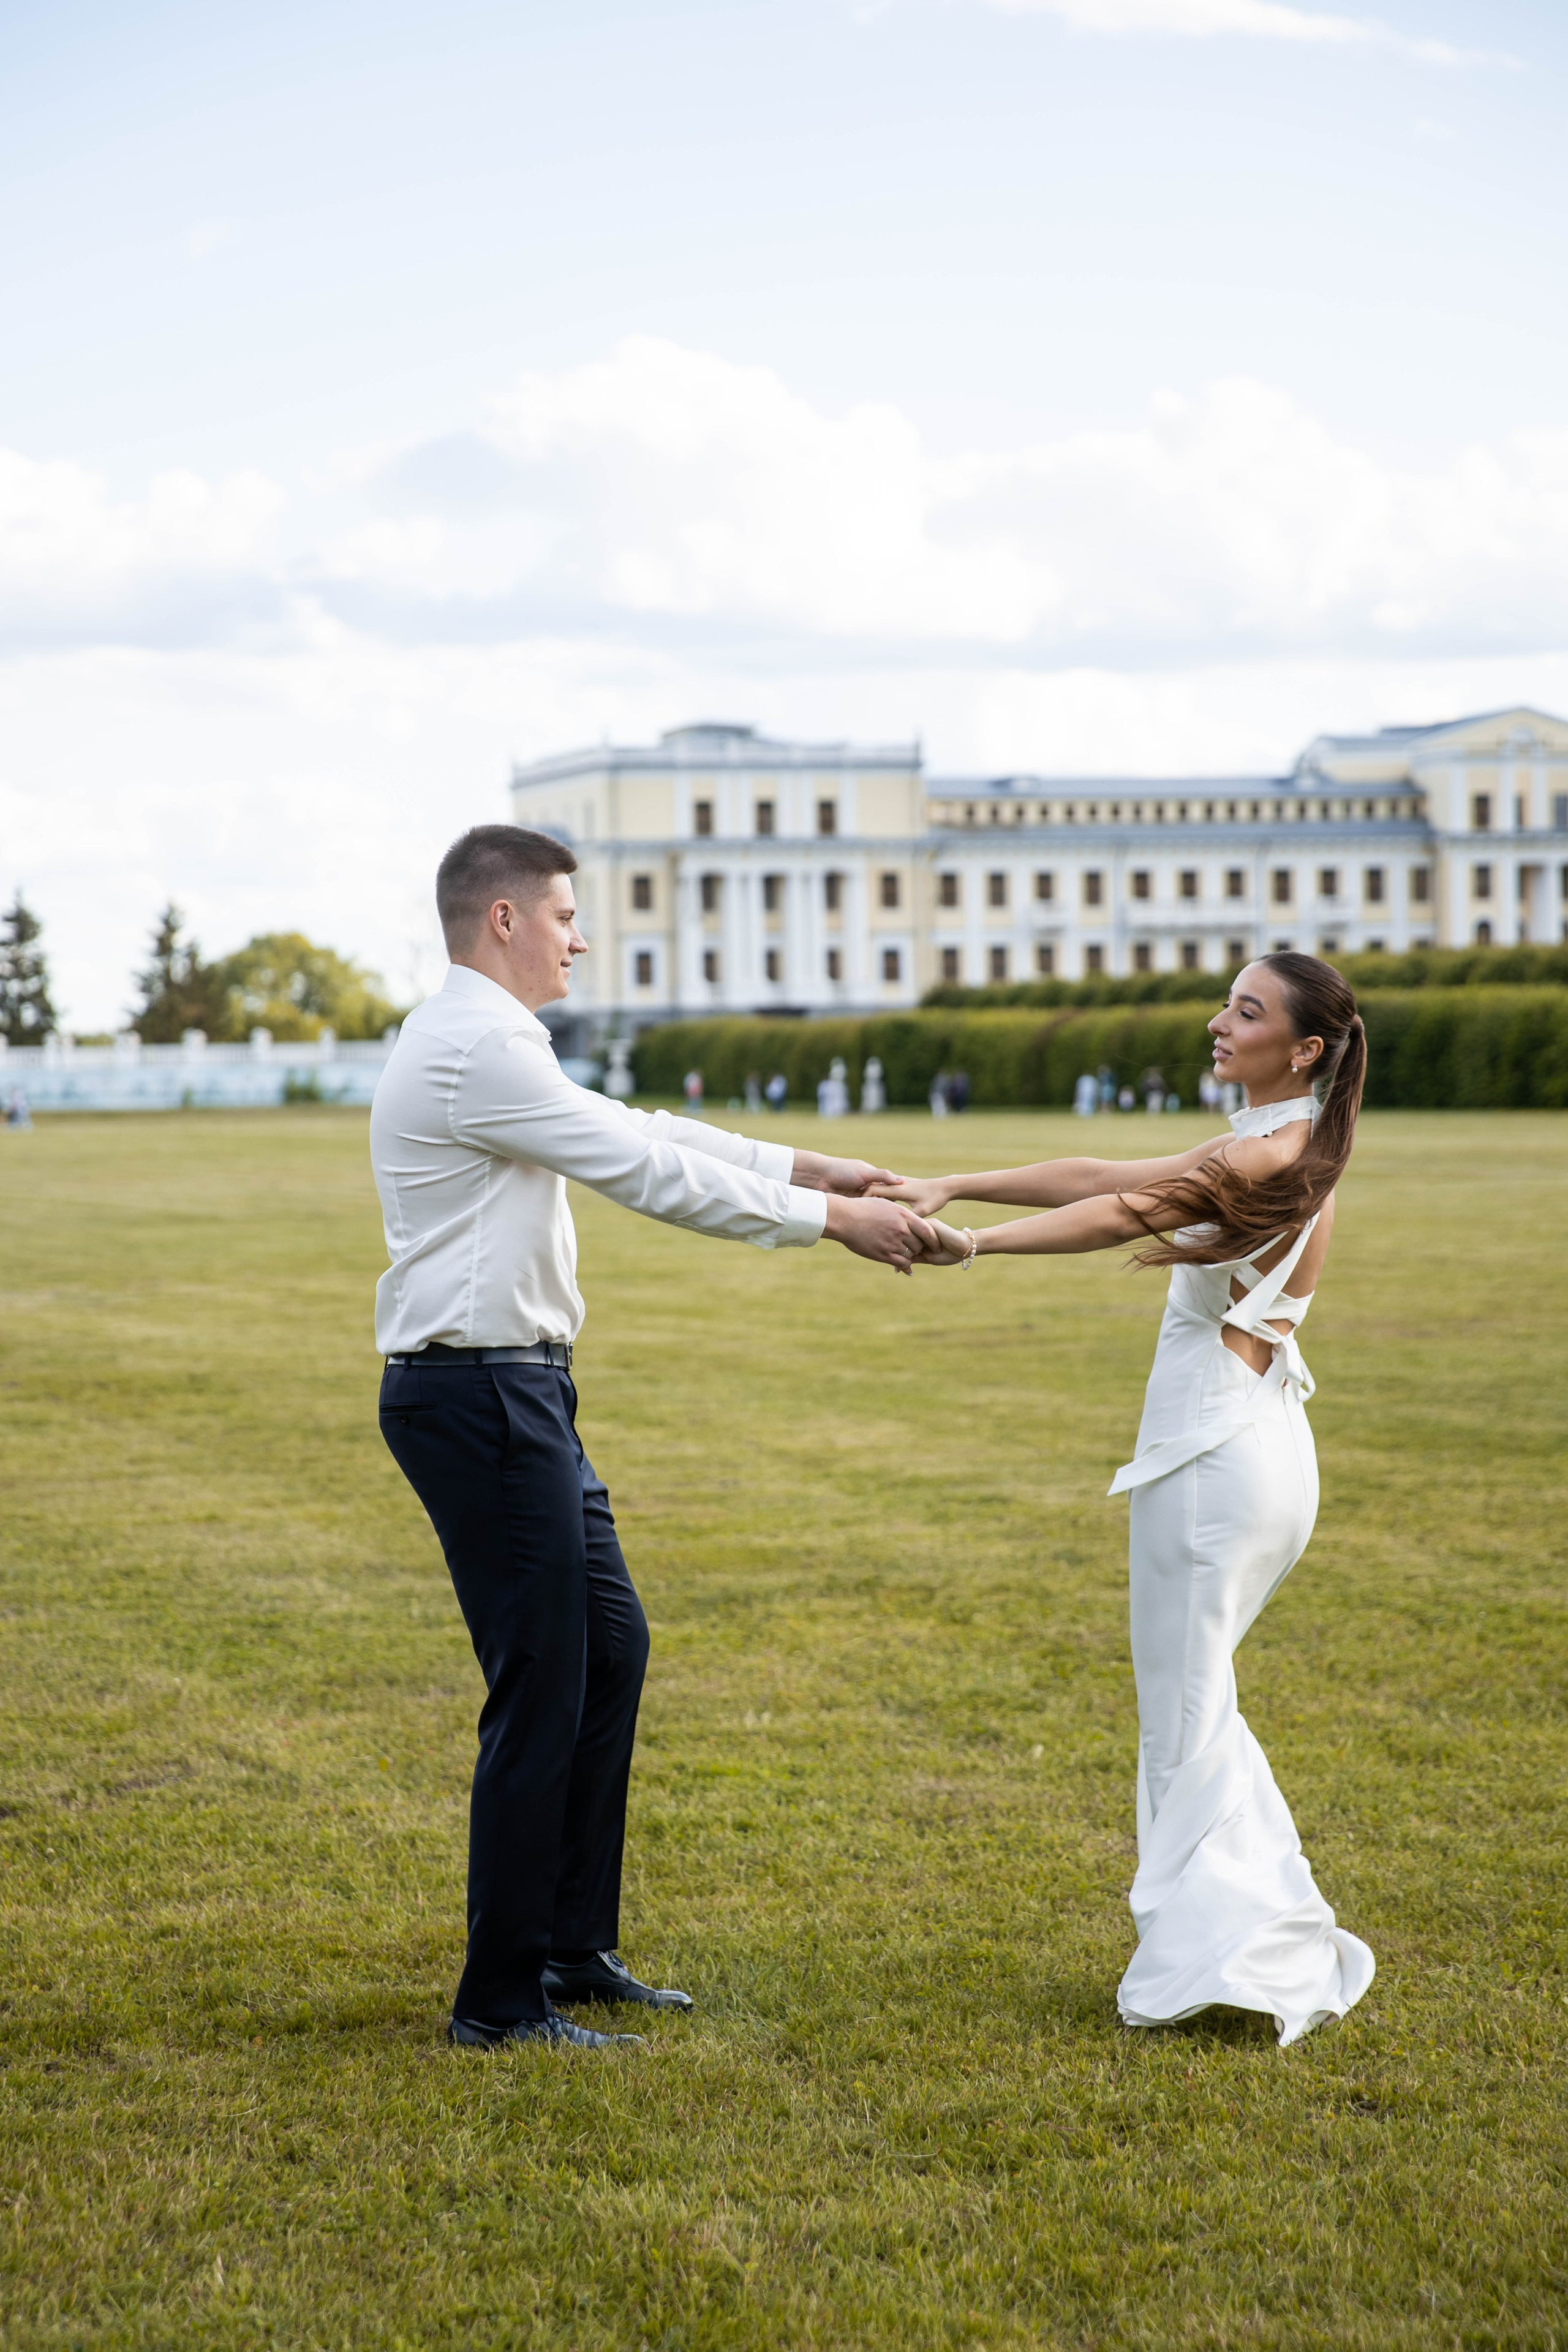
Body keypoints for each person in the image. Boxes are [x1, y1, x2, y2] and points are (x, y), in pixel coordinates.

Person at [371, 825, 930, 2053]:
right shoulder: (475, 1047)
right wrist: (829, 1220)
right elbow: (641, 1169)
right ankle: (499, 2004)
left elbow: (643, 1125)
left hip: (521, 1394)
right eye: (566, 913)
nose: (582, 935)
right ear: (504, 919)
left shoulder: (497, 1043)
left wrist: (810, 1163)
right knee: (544, 1687)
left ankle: (570, 1951)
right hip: (481, 1398)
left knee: (608, 1649)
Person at [873, 953, 1374, 2046]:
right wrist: (958, 1183)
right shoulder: (1282, 1141)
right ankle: (1252, 1936)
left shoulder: (1267, 1149)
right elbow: (1103, 1173)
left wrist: (977, 1245)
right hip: (1265, 1452)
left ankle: (1232, 1962)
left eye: (1245, 1012)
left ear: (1304, 1049)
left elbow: (1124, 1214)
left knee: (1186, 1721)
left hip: (1214, 1463)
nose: (1218, 1021)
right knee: (1200, 1711)